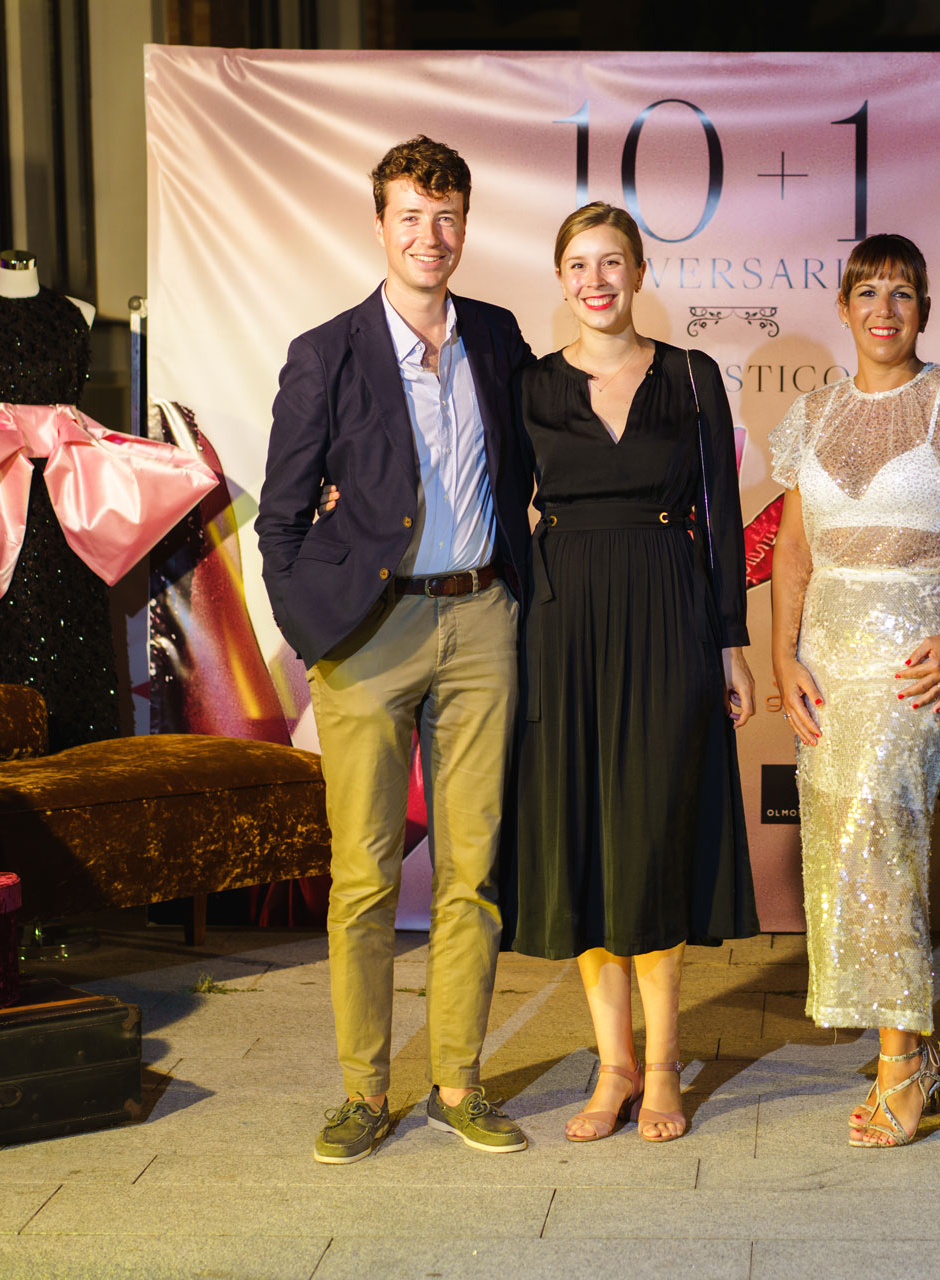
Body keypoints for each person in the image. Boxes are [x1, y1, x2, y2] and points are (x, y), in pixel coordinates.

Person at [257, 136, 535, 1164]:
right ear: (380, 225)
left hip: (482, 621)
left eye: (447, 215)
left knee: (473, 873)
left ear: (466, 225)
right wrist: (316, 631)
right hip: (366, 637)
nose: (432, 235)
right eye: (412, 215)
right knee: (365, 877)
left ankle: (458, 1081)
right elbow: (280, 518)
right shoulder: (325, 352)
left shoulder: (498, 337)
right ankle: (363, 1092)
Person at [508, 201, 758, 1143]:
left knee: (653, 835)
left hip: (668, 611)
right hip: (561, 621)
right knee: (583, 834)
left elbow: (721, 515)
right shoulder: (530, 385)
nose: (596, 281)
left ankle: (661, 1067)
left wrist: (730, 641)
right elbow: (496, 507)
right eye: (579, 264)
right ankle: (611, 1065)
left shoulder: (691, 376)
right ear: (561, 278)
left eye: (612, 262)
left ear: (641, 273)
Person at [769, 234, 940, 1147]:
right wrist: (783, 657)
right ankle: (909, 1049)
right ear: (843, 308)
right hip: (826, 660)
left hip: (915, 654)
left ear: (925, 309)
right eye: (868, 292)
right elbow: (792, 549)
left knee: (883, 838)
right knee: (844, 845)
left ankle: (904, 1065)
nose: (885, 309)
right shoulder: (810, 414)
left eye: (902, 293)